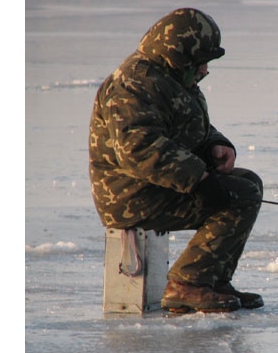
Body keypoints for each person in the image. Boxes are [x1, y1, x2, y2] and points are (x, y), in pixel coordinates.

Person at [88, 8, 264, 313]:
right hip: (131, 195)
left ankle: (211, 280)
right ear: (180, 55)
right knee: (240, 195)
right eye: (201, 62)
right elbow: (138, 150)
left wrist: (214, 146)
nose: (205, 70)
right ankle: (188, 284)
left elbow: (190, 128)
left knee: (247, 183)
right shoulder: (134, 84)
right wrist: (199, 178)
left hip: (156, 186)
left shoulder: (171, 78)